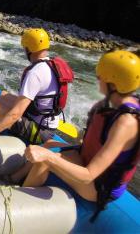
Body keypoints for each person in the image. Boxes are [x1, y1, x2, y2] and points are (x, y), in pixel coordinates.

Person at [23, 50, 139, 220]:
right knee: (49, 145)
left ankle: (19, 205)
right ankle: (12, 178)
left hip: (100, 187)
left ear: (113, 84)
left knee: (46, 159)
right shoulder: (112, 103)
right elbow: (93, 139)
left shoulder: (126, 122)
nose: (98, 79)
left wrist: (50, 157)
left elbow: (89, 176)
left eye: (101, 76)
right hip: (90, 161)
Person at [0, 28, 73, 144]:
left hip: (40, 131)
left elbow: (15, 115)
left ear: (29, 49)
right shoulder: (51, 64)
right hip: (45, 119)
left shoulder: (35, 73)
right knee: (3, 95)